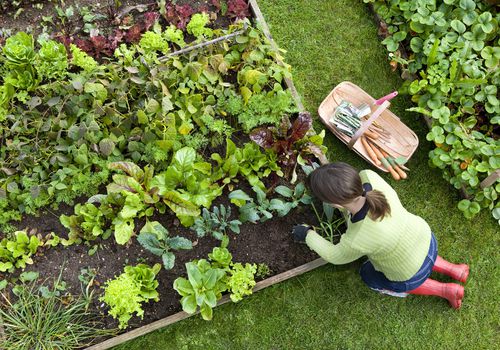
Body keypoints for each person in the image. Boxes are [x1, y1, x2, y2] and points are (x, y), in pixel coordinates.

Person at [292, 162, 469, 309]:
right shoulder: (369, 177)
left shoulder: (357, 238)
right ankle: (455, 270)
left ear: (335, 204)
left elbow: (335, 256)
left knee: (368, 275)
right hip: (425, 238)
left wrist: (307, 234)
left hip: (408, 272)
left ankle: (446, 290)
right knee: (415, 253)